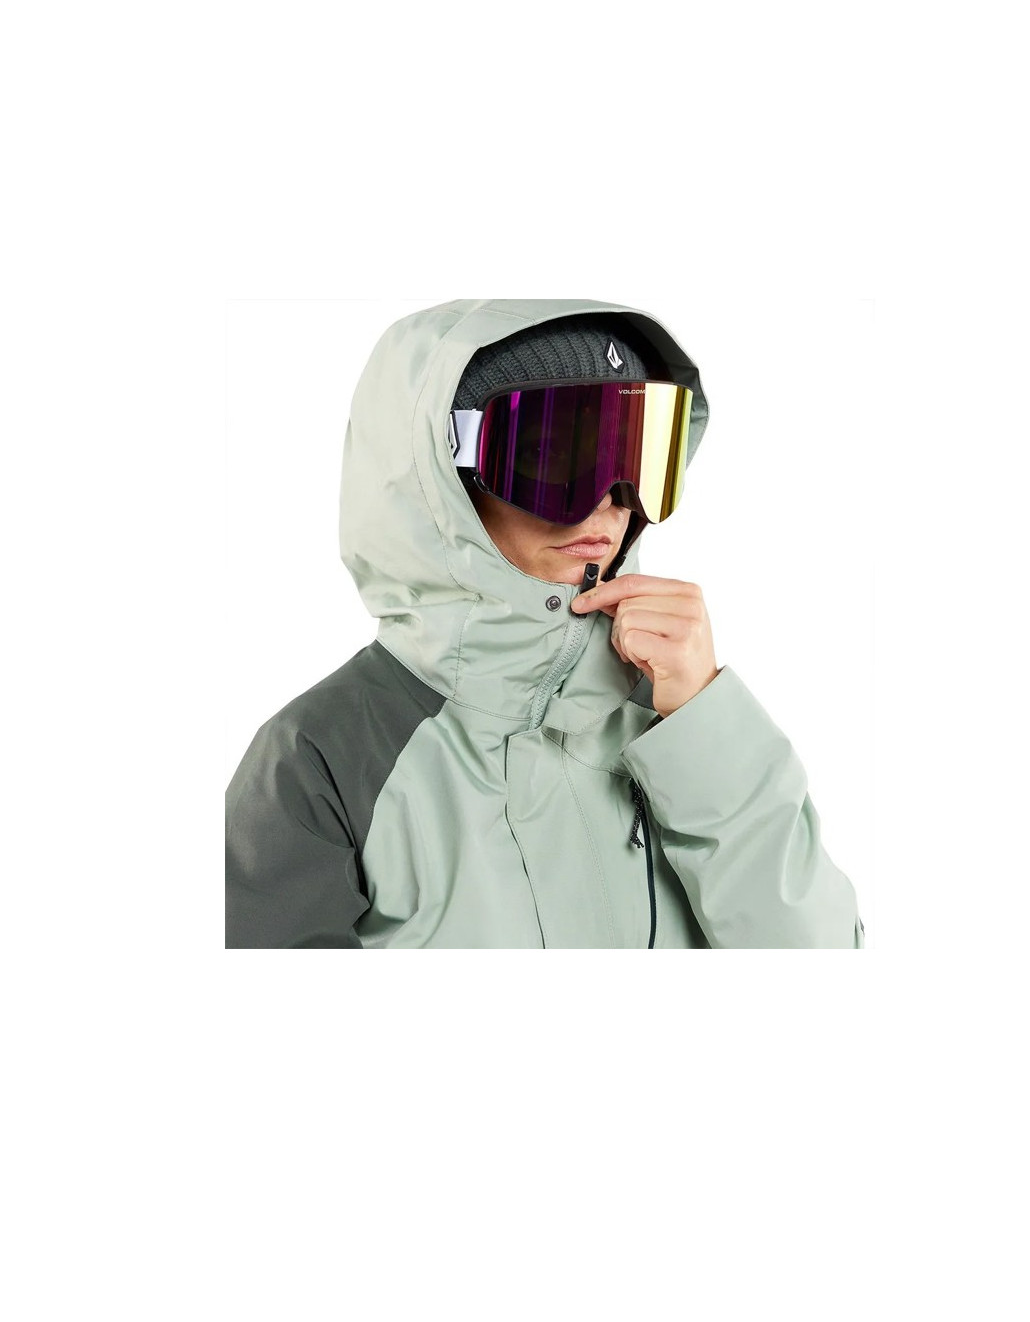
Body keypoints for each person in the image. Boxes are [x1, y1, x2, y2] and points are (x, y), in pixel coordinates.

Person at [225, 297, 865, 948]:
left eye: (634, 458)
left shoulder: (677, 719)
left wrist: (705, 721)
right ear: (439, 475)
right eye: (555, 457)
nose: (608, 502)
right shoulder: (323, 757)